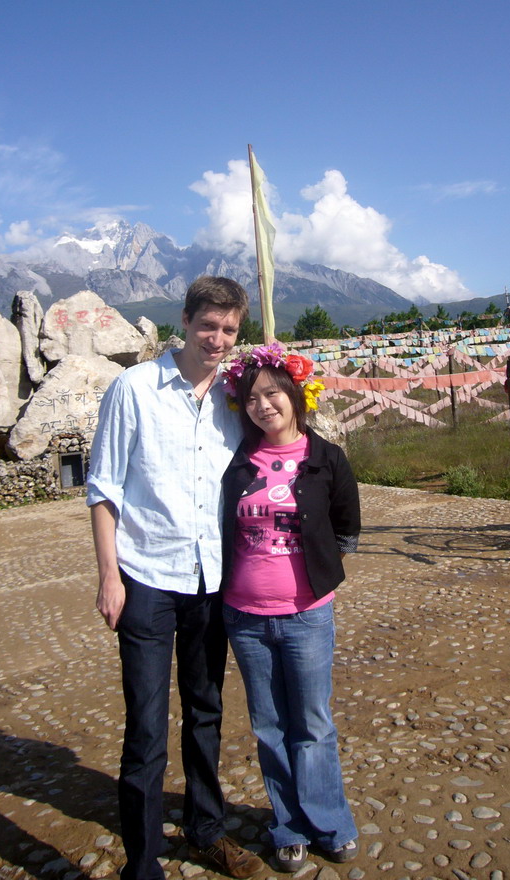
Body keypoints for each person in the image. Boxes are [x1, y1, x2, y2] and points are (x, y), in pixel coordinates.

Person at [87, 276, 264, 880]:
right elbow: (104, 488)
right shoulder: (133, 389)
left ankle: (204, 828)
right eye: (207, 325)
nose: (216, 339)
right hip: (146, 577)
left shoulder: (235, 399)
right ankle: (142, 863)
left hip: (212, 580)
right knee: (144, 725)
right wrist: (110, 577)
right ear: (184, 321)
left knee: (206, 709)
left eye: (229, 331)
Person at [219, 344, 360, 873]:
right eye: (252, 397)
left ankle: (330, 822)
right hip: (244, 616)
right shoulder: (235, 460)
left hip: (306, 614)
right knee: (269, 725)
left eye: (273, 393)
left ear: (295, 395)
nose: (263, 405)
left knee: (314, 723)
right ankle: (288, 825)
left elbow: (347, 524)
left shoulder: (326, 459)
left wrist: (320, 567)